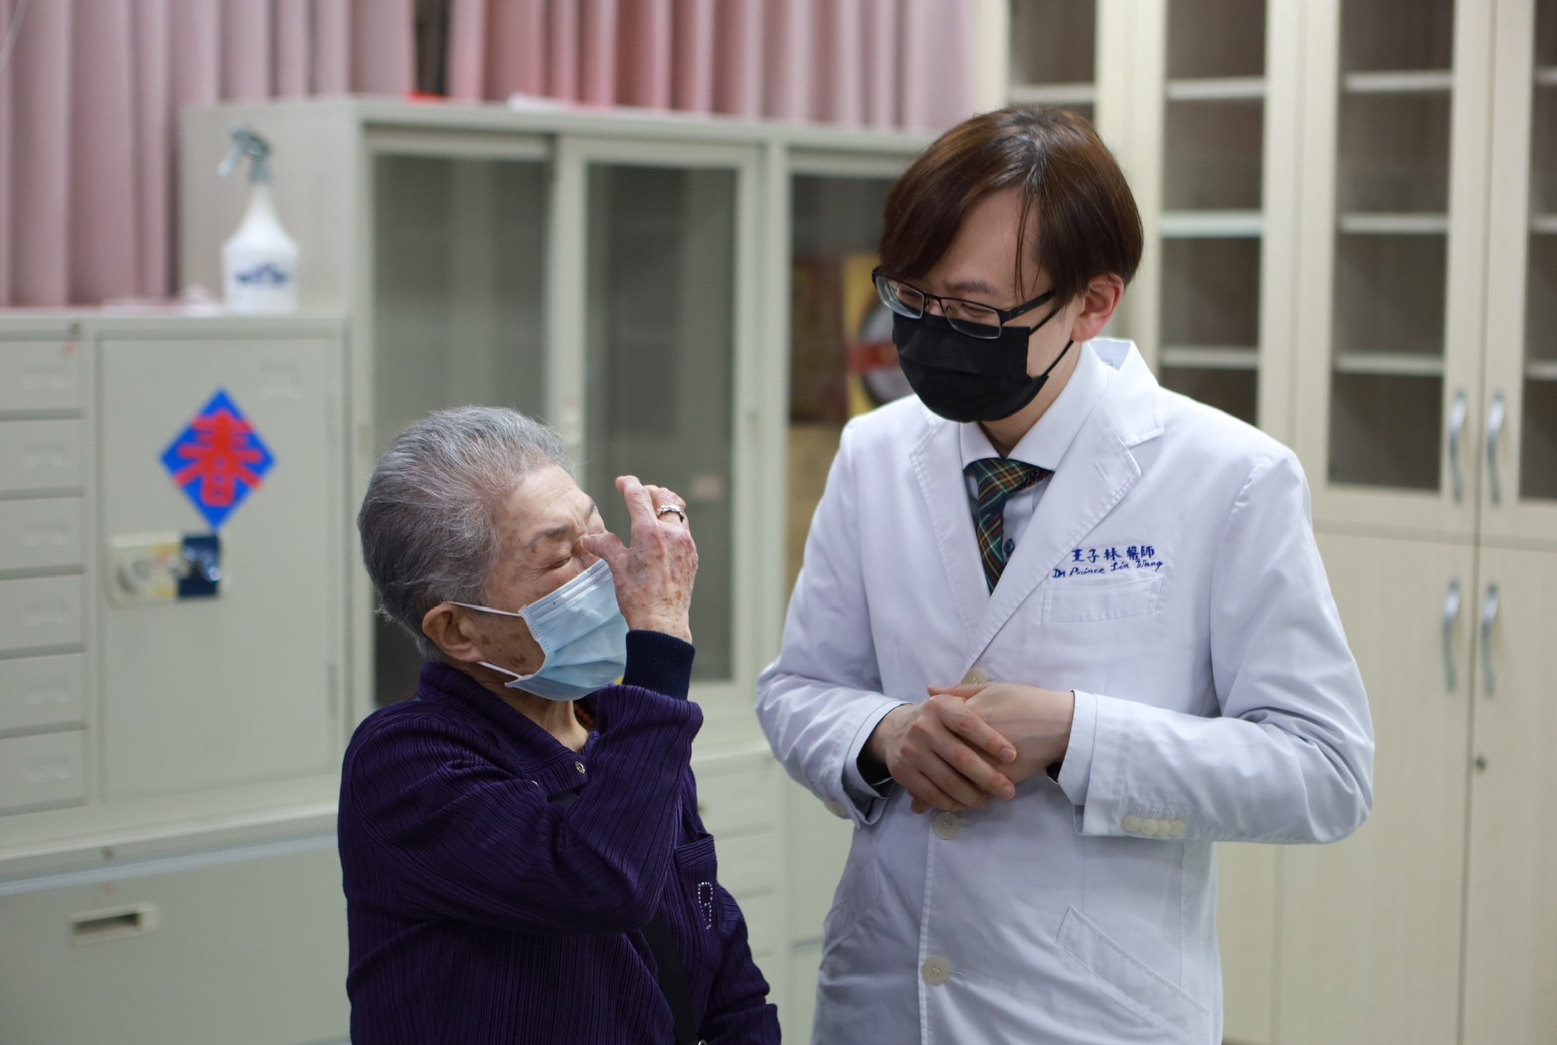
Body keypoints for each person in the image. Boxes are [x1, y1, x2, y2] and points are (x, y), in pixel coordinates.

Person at [756, 106, 1374, 1044]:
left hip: (1093, 1009)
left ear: (1092, 304)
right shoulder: (873, 451)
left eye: (973, 310)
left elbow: (1323, 771)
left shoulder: (1229, 477)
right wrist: (884, 735)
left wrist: (1079, 734)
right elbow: (799, 689)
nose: (933, 330)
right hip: (888, 998)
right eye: (911, 298)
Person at [340, 406, 779, 1045]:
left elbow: (721, 966)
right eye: (558, 557)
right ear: (458, 629)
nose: (604, 564)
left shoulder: (615, 727)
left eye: (596, 533)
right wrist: (659, 640)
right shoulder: (406, 761)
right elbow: (603, 882)